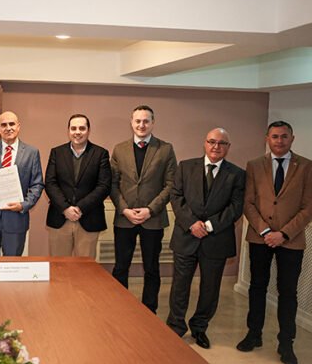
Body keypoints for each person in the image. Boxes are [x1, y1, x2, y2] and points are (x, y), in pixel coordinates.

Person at [237, 121, 312, 364]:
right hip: (259, 238)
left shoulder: (308, 167)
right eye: (275, 136)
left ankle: (286, 343)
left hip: (291, 241)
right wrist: (264, 230)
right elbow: (248, 202)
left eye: (284, 137)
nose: (279, 141)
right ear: (267, 139)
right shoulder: (254, 166)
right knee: (257, 287)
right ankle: (254, 334)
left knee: (288, 293)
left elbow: (309, 207)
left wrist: (282, 234)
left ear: (292, 138)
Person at [166, 128, 245, 349]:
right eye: (212, 142)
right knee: (180, 286)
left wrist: (209, 226)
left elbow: (236, 207)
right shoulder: (186, 166)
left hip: (216, 240)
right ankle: (176, 327)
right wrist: (192, 223)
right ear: (205, 143)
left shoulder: (237, 174)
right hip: (186, 236)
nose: (216, 146)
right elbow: (176, 196)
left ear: (228, 147)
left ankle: (199, 328)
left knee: (210, 289)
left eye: (221, 143)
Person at [110, 105, 176, 313]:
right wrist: (124, 209)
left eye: (146, 121)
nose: (141, 125)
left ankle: (149, 310)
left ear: (153, 123)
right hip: (124, 219)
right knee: (121, 266)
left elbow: (171, 184)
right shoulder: (119, 149)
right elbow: (112, 184)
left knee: (152, 268)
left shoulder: (165, 149)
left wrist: (150, 209)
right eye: (137, 121)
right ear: (131, 123)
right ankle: (120, 307)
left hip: (153, 219)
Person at [0, 111, 44, 256]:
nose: (8, 128)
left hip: (16, 219)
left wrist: (23, 205)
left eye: (12, 124)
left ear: (18, 126)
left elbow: (37, 184)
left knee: (12, 266)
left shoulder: (32, 153)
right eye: (3, 125)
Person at [45, 114, 111, 257]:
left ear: (88, 130)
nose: (77, 132)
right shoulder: (57, 152)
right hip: (60, 218)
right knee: (59, 269)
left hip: (89, 218)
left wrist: (80, 208)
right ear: (68, 130)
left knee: (86, 271)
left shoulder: (100, 154)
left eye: (82, 128)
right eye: (73, 128)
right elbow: (50, 183)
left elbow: (103, 186)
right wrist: (65, 208)